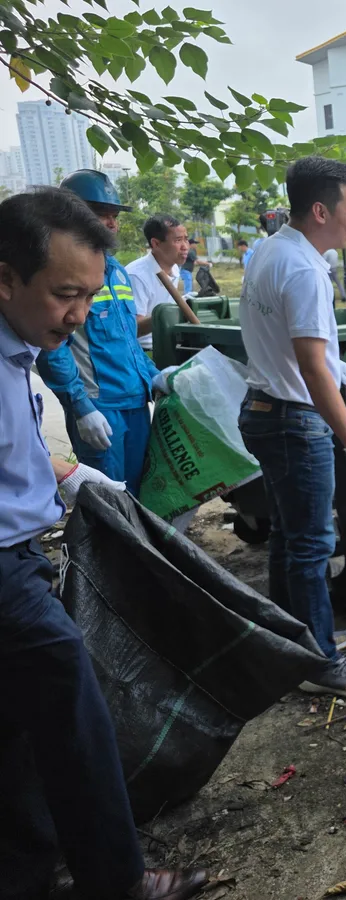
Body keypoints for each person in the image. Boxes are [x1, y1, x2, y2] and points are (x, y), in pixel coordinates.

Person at [0, 187, 208, 900]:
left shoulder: (18, 347)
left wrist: (68, 476)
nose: (79, 315)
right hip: (5, 576)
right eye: (64, 294)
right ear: (5, 278)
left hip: (23, 552)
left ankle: (28, 870)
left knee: (18, 734)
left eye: (87, 296)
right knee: (74, 715)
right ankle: (117, 880)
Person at [237, 157, 346, 699]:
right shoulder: (302, 268)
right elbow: (310, 366)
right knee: (311, 542)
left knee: (289, 534)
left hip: (263, 407)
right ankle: (319, 663)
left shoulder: (273, 249)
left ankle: (293, 637)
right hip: (292, 418)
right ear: (321, 209)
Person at [36, 169, 170, 497]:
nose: (111, 224)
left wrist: (154, 375)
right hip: (99, 406)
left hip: (135, 402)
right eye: (101, 215)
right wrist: (80, 407)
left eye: (114, 216)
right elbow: (53, 347)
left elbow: (126, 337)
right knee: (109, 501)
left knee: (138, 494)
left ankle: (136, 550)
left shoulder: (116, 272)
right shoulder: (56, 274)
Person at [126, 214, 188, 351]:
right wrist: (166, 313)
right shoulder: (137, 276)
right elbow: (133, 329)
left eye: (186, 239)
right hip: (144, 351)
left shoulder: (175, 268)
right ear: (156, 243)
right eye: (178, 240)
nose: (185, 246)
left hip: (169, 343)